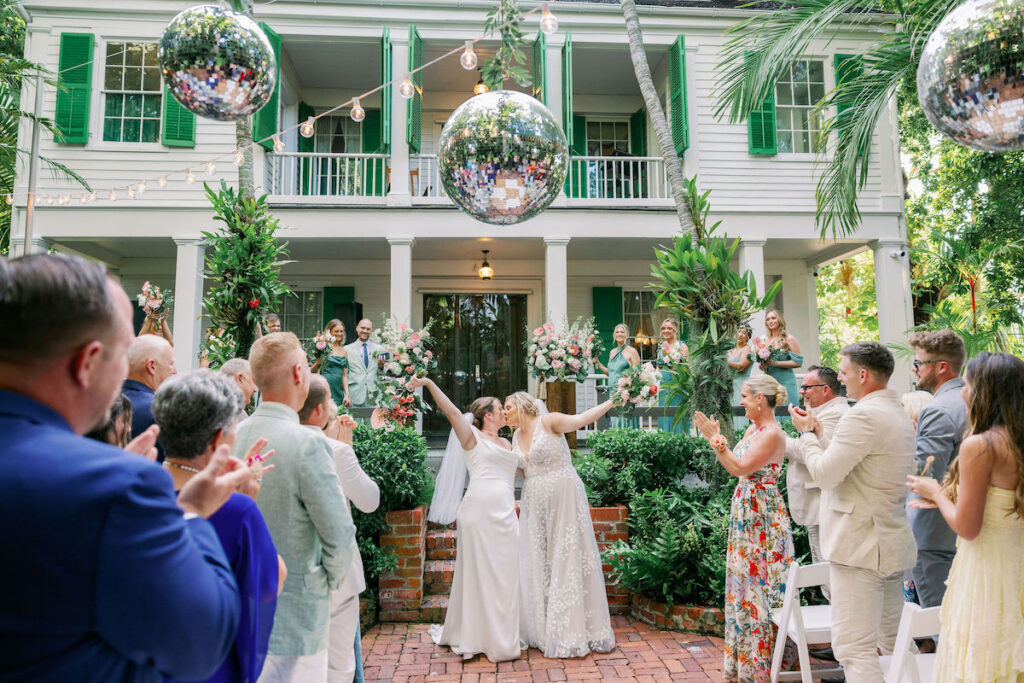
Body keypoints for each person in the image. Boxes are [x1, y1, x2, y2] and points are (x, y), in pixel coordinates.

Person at [0, 253, 253, 682]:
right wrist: (188, 513)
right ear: (86, 363)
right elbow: (201, 642)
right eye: (121, 355)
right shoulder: (115, 486)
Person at [789, 342, 917, 683]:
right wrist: (819, 432)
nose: (842, 381)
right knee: (895, 641)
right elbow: (855, 467)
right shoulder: (897, 413)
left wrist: (805, 437)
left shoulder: (861, 414)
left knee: (853, 648)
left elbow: (826, 475)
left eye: (844, 373)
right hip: (889, 539)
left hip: (859, 546)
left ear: (863, 374)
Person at [234, 332, 357, 683]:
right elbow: (339, 533)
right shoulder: (308, 444)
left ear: (255, 380)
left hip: (239, 614)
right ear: (300, 374)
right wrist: (328, 583)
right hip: (296, 616)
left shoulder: (231, 435)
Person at [153, 370, 282, 683]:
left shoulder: (136, 494)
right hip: (208, 666)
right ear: (217, 439)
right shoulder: (237, 510)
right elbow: (271, 580)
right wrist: (248, 501)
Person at [906, 352, 1024, 683]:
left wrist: (936, 493)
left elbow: (967, 528)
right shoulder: (1016, 441)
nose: (962, 392)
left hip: (989, 573)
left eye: (968, 384)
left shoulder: (981, 445)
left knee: (983, 662)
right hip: (1018, 564)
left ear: (987, 391)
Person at [412, 376, 522, 662]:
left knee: (505, 574)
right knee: (479, 576)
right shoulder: (471, 437)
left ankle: (501, 632)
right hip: (478, 514)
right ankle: (477, 635)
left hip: (506, 513)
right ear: (488, 415)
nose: (504, 413)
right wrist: (427, 383)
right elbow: (450, 410)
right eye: (500, 408)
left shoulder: (510, 443)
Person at [695, 375, 795, 682]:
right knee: (744, 583)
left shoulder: (773, 434)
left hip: (762, 515)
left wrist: (716, 439)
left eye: (745, 396)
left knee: (759, 586)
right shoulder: (754, 428)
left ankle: (763, 666)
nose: (741, 401)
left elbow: (738, 467)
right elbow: (737, 465)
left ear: (760, 399)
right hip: (747, 507)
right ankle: (745, 663)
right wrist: (718, 440)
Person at [506, 390, 617, 658]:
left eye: (508, 407)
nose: (505, 412)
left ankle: (572, 630)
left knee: (565, 555)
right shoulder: (514, 437)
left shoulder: (549, 422)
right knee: (539, 559)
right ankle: (544, 627)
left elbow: (582, 419)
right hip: (534, 501)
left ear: (521, 406)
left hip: (563, 494)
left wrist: (614, 400)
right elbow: (521, 471)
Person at [298, 374, 380, 682]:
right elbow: (369, 500)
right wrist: (347, 449)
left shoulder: (270, 441)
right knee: (337, 665)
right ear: (319, 411)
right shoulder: (337, 450)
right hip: (335, 574)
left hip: (287, 572)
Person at [906, 329, 968, 610]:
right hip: (971, 522)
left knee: (939, 618)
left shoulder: (938, 409)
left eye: (919, 363)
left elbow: (925, 476)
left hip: (935, 533)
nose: (914, 369)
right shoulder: (977, 401)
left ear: (941, 367)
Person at [784, 365, 848, 568]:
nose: (801, 392)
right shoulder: (819, 411)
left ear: (825, 389)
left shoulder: (835, 413)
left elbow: (806, 450)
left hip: (823, 501)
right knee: (821, 564)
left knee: (827, 566)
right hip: (816, 502)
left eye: (806, 387)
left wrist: (775, 437)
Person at [123, 334, 177, 461]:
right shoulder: (161, 410)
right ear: (152, 366)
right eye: (171, 364)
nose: (174, 371)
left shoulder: (107, 403)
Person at [595, 323, 640, 429]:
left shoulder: (632, 351)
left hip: (625, 392)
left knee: (624, 420)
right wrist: (597, 362)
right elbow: (610, 372)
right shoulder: (612, 352)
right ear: (614, 335)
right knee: (614, 420)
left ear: (627, 334)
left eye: (622, 332)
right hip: (612, 391)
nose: (619, 334)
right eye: (617, 332)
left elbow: (637, 373)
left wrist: (628, 389)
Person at [761, 309, 803, 407]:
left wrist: (775, 363)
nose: (770, 321)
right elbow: (765, 364)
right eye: (768, 319)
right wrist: (763, 365)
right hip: (770, 383)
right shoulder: (766, 341)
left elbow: (798, 362)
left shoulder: (789, 339)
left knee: (786, 414)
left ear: (780, 320)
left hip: (786, 383)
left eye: (773, 318)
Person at [656, 317, 688, 434]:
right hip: (664, 385)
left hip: (678, 385)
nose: (666, 331)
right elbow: (658, 367)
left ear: (676, 330)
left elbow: (687, 366)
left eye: (669, 328)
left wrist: (677, 366)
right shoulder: (660, 347)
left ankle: (680, 440)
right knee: (664, 413)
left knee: (677, 414)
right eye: (663, 328)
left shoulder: (682, 345)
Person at [343, 319, 385, 408]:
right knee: (353, 422)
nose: (365, 331)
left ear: (371, 331)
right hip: (354, 395)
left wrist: (381, 367)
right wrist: (346, 395)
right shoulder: (347, 350)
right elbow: (344, 375)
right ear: (357, 328)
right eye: (362, 328)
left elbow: (384, 376)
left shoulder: (379, 349)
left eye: (368, 329)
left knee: (372, 422)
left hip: (374, 397)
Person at [315, 319, 353, 409]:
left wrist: (347, 395)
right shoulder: (323, 347)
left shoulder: (344, 351)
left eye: (341, 331)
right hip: (325, 388)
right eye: (336, 331)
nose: (339, 334)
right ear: (329, 332)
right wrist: (317, 363)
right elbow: (312, 371)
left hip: (338, 390)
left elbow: (344, 376)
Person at [727, 325, 754, 428]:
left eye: (744, 333)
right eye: (738, 331)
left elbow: (742, 366)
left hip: (740, 386)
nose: (740, 335)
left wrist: (724, 362)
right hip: (730, 387)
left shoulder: (747, 349)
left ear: (748, 337)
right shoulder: (731, 350)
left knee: (740, 416)